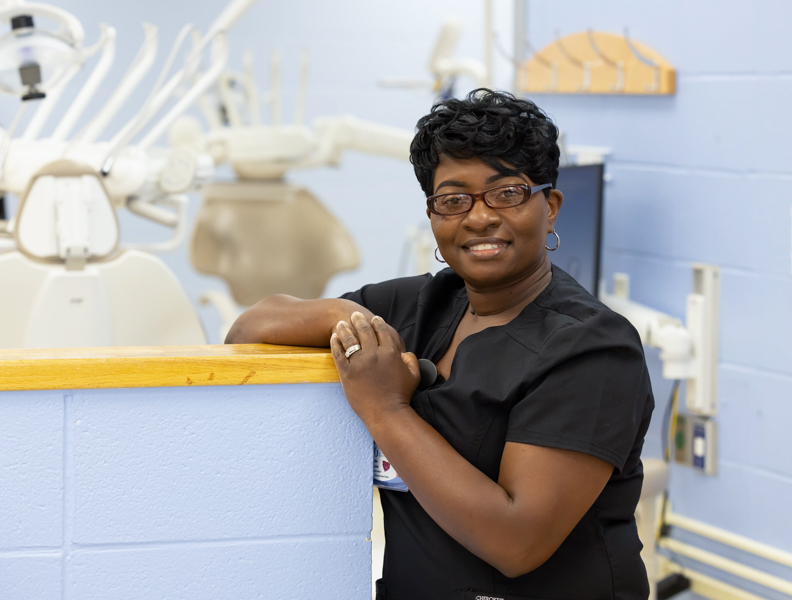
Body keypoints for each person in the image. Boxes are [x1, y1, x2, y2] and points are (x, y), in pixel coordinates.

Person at [227, 89, 654, 600]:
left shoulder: (591, 349)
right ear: (432, 214)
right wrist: (353, 321)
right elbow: (251, 328)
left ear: (551, 207)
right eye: (453, 200)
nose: (479, 217)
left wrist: (386, 407)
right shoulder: (421, 305)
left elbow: (517, 542)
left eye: (507, 193)